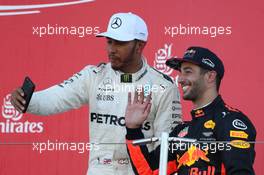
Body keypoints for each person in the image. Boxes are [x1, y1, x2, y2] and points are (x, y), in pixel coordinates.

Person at [10, 12, 182, 175]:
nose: (111, 49)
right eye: (109, 41)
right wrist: (27, 100)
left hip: (137, 171)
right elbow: (56, 98)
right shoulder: (93, 76)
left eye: (119, 43)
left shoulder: (163, 87)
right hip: (100, 169)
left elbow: (167, 149)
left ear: (139, 45)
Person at [125, 46, 256, 175]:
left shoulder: (231, 121)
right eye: (180, 72)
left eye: (188, 71)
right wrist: (133, 130)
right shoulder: (181, 131)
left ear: (210, 76)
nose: (180, 79)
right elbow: (150, 171)